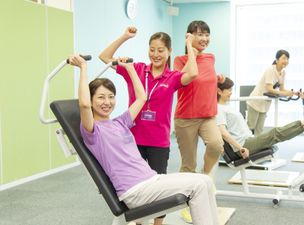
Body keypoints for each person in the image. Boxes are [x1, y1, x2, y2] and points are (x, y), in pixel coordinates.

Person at [69, 53, 219, 225]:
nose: (107, 102)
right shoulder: (92, 131)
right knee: (198, 187)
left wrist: (131, 69)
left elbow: (142, 98)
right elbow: (84, 105)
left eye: (111, 96)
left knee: (206, 181)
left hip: (151, 179)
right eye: (101, 97)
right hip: (135, 191)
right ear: (91, 100)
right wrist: (83, 67)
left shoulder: (120, 122)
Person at [99, 27, 199, 223]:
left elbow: (193, 73)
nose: (155, 54)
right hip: (131, 140)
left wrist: (189, 44)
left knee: (158, 189)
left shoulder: (173, 78)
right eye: (152, 49)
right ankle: (139, 222)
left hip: (158, 142)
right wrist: (125, 37)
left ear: (169, 52)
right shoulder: (134, 70)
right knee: (136, 186)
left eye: (161, 50)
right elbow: (104, 56)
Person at [173, 20, 225, 223]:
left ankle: (206, 176)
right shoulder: (179, 59)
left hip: (208, 115)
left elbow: (205, 78)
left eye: (207, 34)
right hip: (185, 117)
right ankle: (187, 206)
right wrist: (190, 51)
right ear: (189, 36)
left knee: (216, 145)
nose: (204, 39)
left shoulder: (210, 58)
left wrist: (218, 78)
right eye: (199, 34)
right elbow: (182, 78)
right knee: (188, 165)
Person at [217, 77, 304, 159]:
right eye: (228, 90)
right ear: (219, 91)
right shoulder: (219, 108)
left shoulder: (226, 106)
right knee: (275, 134)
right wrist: (241, 148)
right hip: (243, 145)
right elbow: (222, 132)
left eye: (231, 90)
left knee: (274, 134)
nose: (231, 93)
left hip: (247, 140)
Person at [246, 50, 301, 136]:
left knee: (259, 129)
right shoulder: (270, 70)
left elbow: (281, 88)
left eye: (287, 59)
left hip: (265, 103)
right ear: (277, 60)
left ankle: (257, 148)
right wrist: (286, 94)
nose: (286, 61)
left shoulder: (283, 72)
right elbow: (270, 89)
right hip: (255, 101)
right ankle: (238, 144)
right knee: (250, 126)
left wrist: (293, 93)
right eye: (284, 58)